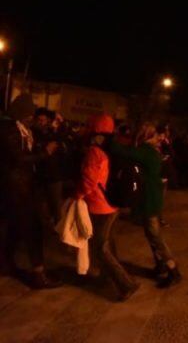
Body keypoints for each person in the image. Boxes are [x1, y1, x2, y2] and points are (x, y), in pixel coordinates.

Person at [0, 94, 61, 288]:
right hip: (16, 186)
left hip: (24, 184)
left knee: (14, 228)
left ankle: (5, 264)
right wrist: (45, 153)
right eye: (28, 113)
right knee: (33, 228)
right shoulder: (9, 130)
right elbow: (19, 158)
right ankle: (38, 274)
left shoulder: (23, 129)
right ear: (20, 113)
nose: (32, 116)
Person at [110, 124, 182, 288]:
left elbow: (123, 151)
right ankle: (161, 266)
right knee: (151, 235)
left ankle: (173, 270)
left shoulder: (145, 150)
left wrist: (107, 140)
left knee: (155, 236)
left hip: (149, 199)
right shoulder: (151, 150)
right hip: (152, 198)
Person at [77, 113, 138, 301]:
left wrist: (77, 196)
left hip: (100, 205)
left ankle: (126, 284)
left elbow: (89, 179)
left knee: (100, 247)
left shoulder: (95, 151)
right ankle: (106, 277)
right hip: (112, 203)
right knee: (109, 243)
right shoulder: (114, 147)